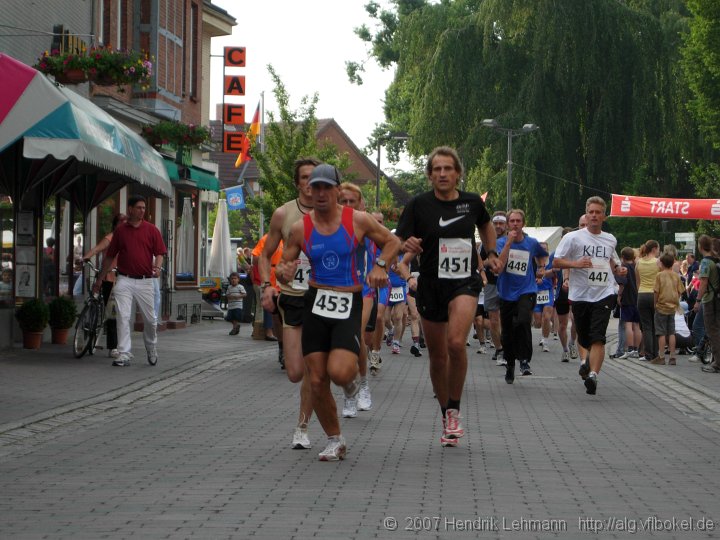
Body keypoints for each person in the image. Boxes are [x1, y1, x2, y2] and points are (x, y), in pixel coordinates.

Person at [276, 163, 400, 461]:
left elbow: (391, 242)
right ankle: (334, 439)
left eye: (325, 188)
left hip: (349, 302)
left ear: (336, 190)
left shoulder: (357, 220)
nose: (319, 193)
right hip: (316, 302)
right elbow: (283, 266)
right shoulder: (299, 228)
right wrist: (283, 271)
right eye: (314, 187)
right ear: (308, 191)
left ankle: (352, 382)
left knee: (340, 371)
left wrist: (380, 266)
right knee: (316, 379)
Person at [396, 146, 501, 447]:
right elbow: (400, 239)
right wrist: (409, 242)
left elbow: (486, 224)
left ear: (457, 174)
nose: (442, 174)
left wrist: (490, 252)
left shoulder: (471, 203)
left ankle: (454, 408)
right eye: (437, 169)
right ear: (430, 175)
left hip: (464, 281)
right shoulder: (418, 205)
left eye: (448, 169)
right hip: (431, 283)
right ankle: (446, 415)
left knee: (456, 342)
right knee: (438, 354)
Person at [260, 157, 319, 450]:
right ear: (297, 182)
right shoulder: (283, 214)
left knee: (312, 367)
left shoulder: (332, 213)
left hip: (323, 297)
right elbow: (264, 254)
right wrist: (266, 286)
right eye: (304, 178)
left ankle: (302, 426)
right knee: (295, 372)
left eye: (314, 177)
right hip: (292, 296)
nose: (310, 183)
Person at [553, 196, 626, 395]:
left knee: (598, 336)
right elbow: (556, 262)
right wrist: (575, 264)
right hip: (580, 294)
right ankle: (585, 362)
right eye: (591, 212)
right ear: (587, 214)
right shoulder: (573, 238)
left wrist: (619, 270)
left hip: (604, 292)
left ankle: (594, 375)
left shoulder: (610, 239)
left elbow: (612, 261)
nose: (594, 216)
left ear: (604, 216)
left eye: (598, 212)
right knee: (584, 335)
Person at [93, 196, 166, 367]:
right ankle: (124, 353)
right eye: (139, 207)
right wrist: (100, 279)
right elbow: (110, 256)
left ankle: (151, 347)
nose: (142, 210)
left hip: (145, 281)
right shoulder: (121, 231)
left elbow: (160, 253)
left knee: (150, 320)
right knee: (123, 316)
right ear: (130, 209)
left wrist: (157, 268)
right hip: (124, 279)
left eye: (144, 207)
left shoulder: (152, 230)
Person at [338, 181, 377, 416]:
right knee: (341, 344)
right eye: (344, 201)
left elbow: (391, 243)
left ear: (361, 204)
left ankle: (360, 388)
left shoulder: (365, 224)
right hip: (335, 289)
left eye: (353, 201)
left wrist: (382, 265)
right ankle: (350, 389)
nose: (349, 205)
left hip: (363, 289)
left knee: (355, 337)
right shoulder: (327, 224)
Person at [495, 209, 548, 382]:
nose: (515, 224)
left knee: (524, 321)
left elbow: (542, 256)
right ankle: (510, 364)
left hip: (527, 289)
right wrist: (509, 243)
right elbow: (499, 266)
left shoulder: (531, 243)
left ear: (523, 224)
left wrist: (541, 268)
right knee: (508, 331)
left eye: (518, 221)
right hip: (506, 292)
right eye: (512, 221)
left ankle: (524, 360)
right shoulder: (501, 243)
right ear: (508, 224)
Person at [83, 213, 128, 358]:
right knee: (109, 311)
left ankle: (115, 345)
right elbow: (97, 249)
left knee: (115, 313)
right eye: (121, 221)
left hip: (122, 279)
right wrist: (86, 256)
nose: (123, 224)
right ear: (115, 225)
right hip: (108, 278)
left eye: (125, 222)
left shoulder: (128, 239)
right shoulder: (111, 237)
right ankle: (92, 333)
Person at [481, 212, 508, 365]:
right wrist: (490, 261)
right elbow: (479, 263)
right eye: (495, 223)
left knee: (507, 318)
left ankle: (507, 346)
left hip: (509, 284)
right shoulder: (487, 241)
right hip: (491, 284)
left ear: (506, 225)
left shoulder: (512, 240)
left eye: (501, 223)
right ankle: (499, 349)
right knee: (493, 319)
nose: (498, 226)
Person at [651, 253, 685, 365]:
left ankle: (661, 357)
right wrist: (676, 300)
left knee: (661, 333)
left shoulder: (659, 275)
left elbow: (656, 291)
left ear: (662, 263)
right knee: (671, 332)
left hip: (661, 306)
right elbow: (680, 291)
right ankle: (672, 357)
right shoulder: (676, 275)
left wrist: (655, 303)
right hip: (672, 308)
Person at [696, 235, 720, 373]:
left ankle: (717, 363)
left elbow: (703, 282)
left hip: (710, 299)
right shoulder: (716, 260)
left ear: (700, 246)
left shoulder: (705, 262)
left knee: (713, 332)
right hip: (717, 297)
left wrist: (698, 301)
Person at [636, 239, 660, 361]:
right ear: (654, 248)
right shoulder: (657, 262)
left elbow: (638, 282)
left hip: (642, 295)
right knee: (655, 326)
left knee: (646, 326)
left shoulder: (639, 262)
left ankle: (648, 354)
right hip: (654, 295)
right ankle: (655, 353)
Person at [617, 247, 641, 359]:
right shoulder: (637, 266)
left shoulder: (624, 268)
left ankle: (630, 349)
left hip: (627, 298)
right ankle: (637, 349)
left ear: (623, 257)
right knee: (637, 325)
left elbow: (622, 284)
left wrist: (619, 295)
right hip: (638, 298)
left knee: (628, 324)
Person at [225, 271, 247, 336]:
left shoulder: (240, 287)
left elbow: (245, 294)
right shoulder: (229, 287)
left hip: (238, 306)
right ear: (230, 280)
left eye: (235, 278)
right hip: (231, 306)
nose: (233, 280)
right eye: (232, 279)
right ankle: (236, 326)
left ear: (238, 280)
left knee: (236, 317)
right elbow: (227, 295)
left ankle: (234, 329)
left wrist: (238, 296)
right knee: (229, 318)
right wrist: (229, 296)